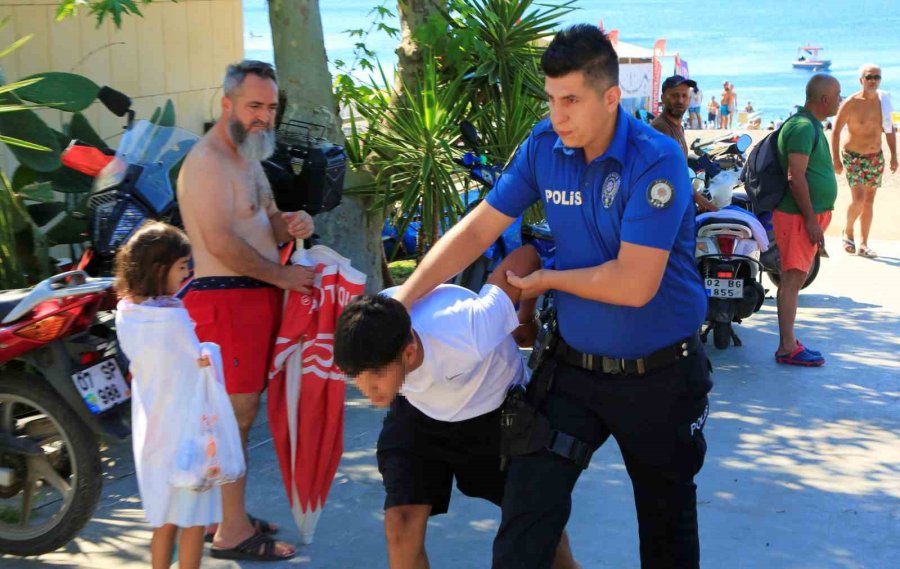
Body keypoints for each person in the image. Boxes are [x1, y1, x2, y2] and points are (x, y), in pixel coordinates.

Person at [394, 24, 712, 569]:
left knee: (667, 530)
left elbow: (634, 284)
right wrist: (400, 301)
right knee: (526, 520)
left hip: (661, 378)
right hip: (573, 372)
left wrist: (546, 282)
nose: (556, 114)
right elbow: (477, 231)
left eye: (571, 100)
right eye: (550, 98)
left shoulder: (656, 159)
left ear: (612, 98)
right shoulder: (545, 146)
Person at [334, 246, 579, 569]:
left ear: (408, 353)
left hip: (496, 417)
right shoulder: (372, 332)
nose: (367, 391)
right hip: (419, 416)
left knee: (536, 527)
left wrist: (523, 319)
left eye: (376, 377)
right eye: (357, 379)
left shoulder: (466, 327)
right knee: (400, 525)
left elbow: (525, 256)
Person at [176, 60, 315, 561]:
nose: (264, 117)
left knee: (240, 415)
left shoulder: (250, 158)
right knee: (232, 417)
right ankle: (231, 531)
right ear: (227, 103)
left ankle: (224, 514)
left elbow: (268, 223)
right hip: (222, 301)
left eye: (271, 108)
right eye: (255, 106)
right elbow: (220, 242)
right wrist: (283, 276)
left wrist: (293, 224)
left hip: (250, 299)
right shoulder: (207, 162)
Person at [114, 222, 231, 569]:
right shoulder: (172, 317)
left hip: (154, 431)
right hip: (188, 435)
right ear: (159, 268)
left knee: (163, 520)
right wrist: (210, 353)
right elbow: (197, 362)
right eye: (182, 266)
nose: (187, 273)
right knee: (193, 520)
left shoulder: (127, 313)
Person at [773, 74, 842, 366]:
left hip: (806, 216)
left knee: (796, 277)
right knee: (792, 279)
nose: (841, 99)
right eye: (838, 95)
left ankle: (789, 341)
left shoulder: (809, 124)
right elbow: (795, 177)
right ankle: (787, 347)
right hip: (796, 216)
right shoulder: (802, 127)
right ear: (824, 99)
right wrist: (812, 220)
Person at [832, 63, 898, 258]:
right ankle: (848, 230)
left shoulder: (883, 102)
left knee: (869, 201)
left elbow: (889, 129)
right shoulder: (851, 103)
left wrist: (894, 155)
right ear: (861, 80)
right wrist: (836, 159)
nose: (873, 81)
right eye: (869, 77)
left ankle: (864, 244)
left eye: (877, 77)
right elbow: (835, 131)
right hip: (852, 156)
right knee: (859, 199)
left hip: (875, 157)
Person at [652, 75, 718, 213]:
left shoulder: (678, 127)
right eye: (675, 96)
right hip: (664, 207)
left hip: (677, 200)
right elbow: (669, 173)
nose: (680, 100)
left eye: (684, 96)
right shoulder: (660, 128)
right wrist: (699, 199)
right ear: (663, 98)